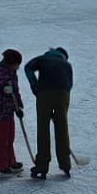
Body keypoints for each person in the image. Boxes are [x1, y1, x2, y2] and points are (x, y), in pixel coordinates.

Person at [24, 47, 75, 179]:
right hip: (63, 94)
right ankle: (65, 164)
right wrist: (61, 106)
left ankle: (42, 165)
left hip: (44, 93)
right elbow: (70, 84)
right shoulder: (67, 64)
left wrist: (35, 85)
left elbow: (27, 68)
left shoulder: (42, 59)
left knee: (43, 128)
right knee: (62, 128)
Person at [0, 49, 26, 176]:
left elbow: (15, 90)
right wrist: (3, 91)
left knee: (10, 138)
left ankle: (10, 162)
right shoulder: (0, 72)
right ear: (11, 62)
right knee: (1, 139)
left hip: (9, 110)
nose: (18, 67)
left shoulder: (12, 72)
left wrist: (18, 106)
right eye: (17, 64)